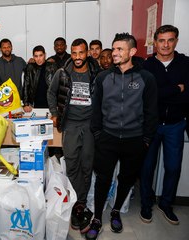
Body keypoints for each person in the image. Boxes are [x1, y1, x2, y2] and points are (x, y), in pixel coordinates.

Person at [86, 33, 158, 240]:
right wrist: (98, 133)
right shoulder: (103, 77)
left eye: (119, 49)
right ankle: (97, 218)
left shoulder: (146, 79)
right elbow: (96, 109)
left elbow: (152, 112)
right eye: (113, 48)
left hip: (135, 140)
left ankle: (116, 210)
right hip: (107, 138)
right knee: (102, 180)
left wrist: (145, 140)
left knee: (126, 179)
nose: (114, 53)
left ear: (132, 52)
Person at [47, 38, 100, 234]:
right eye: (74, 53)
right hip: (69, 125)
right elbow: (51, 93)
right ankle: (78, 203)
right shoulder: (62, 73)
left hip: (89, 126)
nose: (78, 57)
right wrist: (54, 113)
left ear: (86, 53)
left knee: (87, 165)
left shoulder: (96, 74)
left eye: (81, 53)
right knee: (71, 163)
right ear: (71, 53)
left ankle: (81, 203)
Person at [140, 25, 189, 225]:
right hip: (150, 125)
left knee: (173, 167)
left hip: (175, 125)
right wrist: (176, 90)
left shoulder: (185, 64)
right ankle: (146, 203)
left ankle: (166, 204)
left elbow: (187, 96)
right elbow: (147, 95)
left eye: (170, 40)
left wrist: (164, 92)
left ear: (176, 41)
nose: (166, 44)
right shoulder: (147, 66)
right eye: (162, 40)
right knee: (146, 167)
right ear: (155, 42)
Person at [23, 45, 57, 112]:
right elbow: (26, 86)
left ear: (45, 55)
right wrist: (26, 103)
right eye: (36, 56)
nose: (38, 59)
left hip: (50, 103)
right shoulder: (30, 67)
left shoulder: (52, 66)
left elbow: (58, 86)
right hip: (34, 104)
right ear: (33, 57)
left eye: (41, 55)